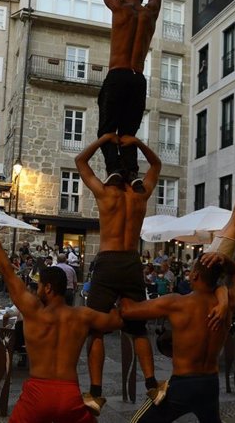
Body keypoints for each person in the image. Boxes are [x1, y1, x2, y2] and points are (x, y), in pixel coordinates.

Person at [120, 151, 235, 423]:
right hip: (209, 382)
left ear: (194, 276)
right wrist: (225, 278)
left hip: (184, 383)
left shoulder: (181, 302)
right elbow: (234, 278)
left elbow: (128, 310)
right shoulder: (223, 302)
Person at [0, 213, 123, 423]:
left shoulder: (34, 312)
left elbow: (7, 272)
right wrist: (119, 297)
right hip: (69, 394)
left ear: (49, 288)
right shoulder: (82, 315)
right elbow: (117, 321)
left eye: (40, 285)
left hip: (38, 393)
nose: (37, 288)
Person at [75, 134, 163, 413]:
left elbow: (80, 161)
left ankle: (96, 393)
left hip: (108, 261)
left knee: (96, 330)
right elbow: (157, 164)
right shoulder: (141, 194)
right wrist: (137, 143)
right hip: (131, 261)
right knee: (137, 328)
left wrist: (103, 139)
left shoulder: (104, 192)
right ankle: (152, 384)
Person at [92, 0, 170, 190]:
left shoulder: (119, 6)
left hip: (117, 75)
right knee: (128, 132)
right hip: (138, 78)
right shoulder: (150, 11)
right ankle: (133, 173)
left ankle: (114, 169)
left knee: (106, 130)